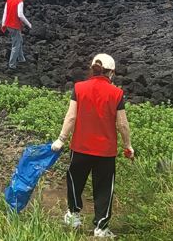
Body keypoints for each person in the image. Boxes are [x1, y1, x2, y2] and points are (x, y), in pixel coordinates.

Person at [52, 54, 134, 238]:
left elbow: (71, 117)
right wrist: (128, 146)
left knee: (75, 181)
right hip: (105, 152)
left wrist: (61, 139)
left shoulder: (79, 88)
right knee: (104, 188)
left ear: (92, 68)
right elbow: (122, 124)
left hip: (80, 148)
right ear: (111, 73)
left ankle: (73, 216)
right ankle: (101, 228)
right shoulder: (116, 93)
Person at [0, 0, 32, 70]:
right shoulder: (20, 1)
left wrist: (3, 23)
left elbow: (5, 12)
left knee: (19, 40)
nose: (25, 0)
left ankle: (21, 59)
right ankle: (12, 65)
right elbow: (20, 15)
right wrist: (29, 24)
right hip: (14, 26)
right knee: (16, 45)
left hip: (8, 25)